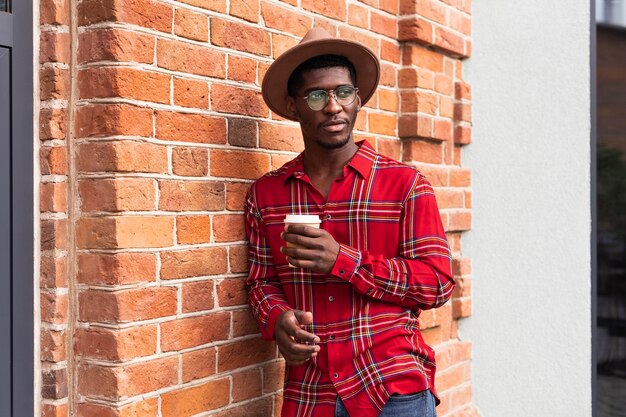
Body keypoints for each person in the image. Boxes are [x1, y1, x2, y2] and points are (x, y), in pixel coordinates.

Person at [245, 27, 454, 417]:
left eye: (342, 92)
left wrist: (343, 259)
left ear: (357, 99)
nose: (333, 106)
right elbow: (261, 282)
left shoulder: (405, 185)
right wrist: (277, 320)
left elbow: (437, 283)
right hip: (309, 392)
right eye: (316, 95)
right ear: (294, 106)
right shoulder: (266, 194)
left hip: (391, 388)